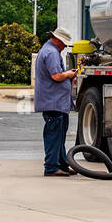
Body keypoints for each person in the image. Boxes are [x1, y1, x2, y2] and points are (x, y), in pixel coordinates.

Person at [35, 27, 77, 176]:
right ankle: (52, 167)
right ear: (58, 41)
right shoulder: (52, 53)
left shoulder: (48, 50)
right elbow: (56, 76)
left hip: (56, 102)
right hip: (53, 102)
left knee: (59, 135)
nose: (65, 47)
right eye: (64, 44)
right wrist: (69, 74)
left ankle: (62, 165)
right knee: (54, 135)